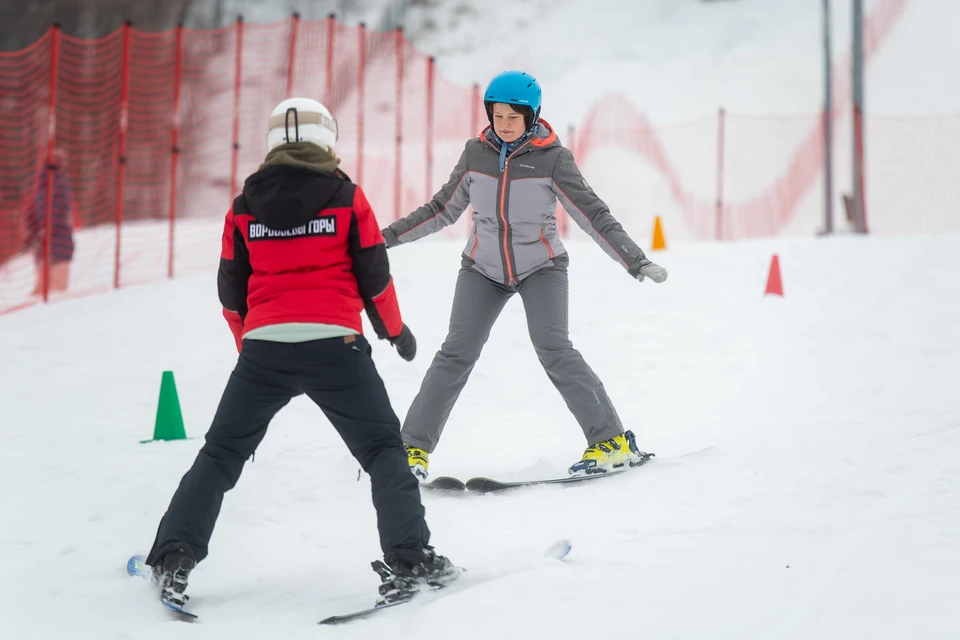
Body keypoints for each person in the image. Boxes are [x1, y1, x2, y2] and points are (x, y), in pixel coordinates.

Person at [144, 97, 458, 608]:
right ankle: (411, 560)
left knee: (222, 454)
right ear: (327, 140)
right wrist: (395, 333)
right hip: (336, 345)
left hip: (265, 348)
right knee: (383, 452)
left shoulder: (243, 207)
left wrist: (251, 347)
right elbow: (374, 277)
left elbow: (231, 290)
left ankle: (172, 557)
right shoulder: (347, 197)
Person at [381, 70, 668, 481]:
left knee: (554, 347)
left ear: (532, 116)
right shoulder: (475, 154)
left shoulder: (552, 159)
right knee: (455, 353)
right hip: (482, 268)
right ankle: (411, 450)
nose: (505, 125)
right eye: (498, 116)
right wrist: (383, 239)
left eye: (514, 117)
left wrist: (635, 260)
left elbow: (592, 213)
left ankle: (610, 441)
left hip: (542, 267)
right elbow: (441, 209)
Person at [22, 147, 75, 296]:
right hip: (60, 245)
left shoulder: (38, 188)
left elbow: (29, 216)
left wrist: (33, 235)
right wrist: (46, 231)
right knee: (56, 291)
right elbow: (59, 212)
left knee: (42, 289)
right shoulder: (61, 186)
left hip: (42, 248)